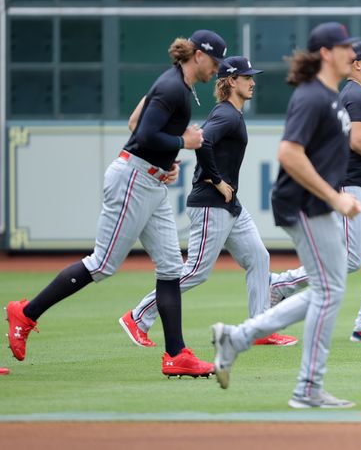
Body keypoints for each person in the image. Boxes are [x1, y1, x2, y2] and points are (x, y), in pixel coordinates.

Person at [5, 29, 227, 377]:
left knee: (171, 267)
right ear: (198, 55)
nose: (216, 68)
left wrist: (166, 162)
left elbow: (136, 122)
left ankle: (176, 354)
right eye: (215, 61)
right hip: (133, 179)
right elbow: (143, 133)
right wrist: (183, 142)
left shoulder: (177, 85)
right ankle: (26, 313)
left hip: (150, 179)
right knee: (103, 264)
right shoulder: (172, 86)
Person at [210, 22, 361, 409]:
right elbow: (289, 153)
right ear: (326, 53)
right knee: (330, 291)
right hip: (303, 203)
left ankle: (238, 338)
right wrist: (334, 197)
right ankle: (307, 388)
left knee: (327, 289)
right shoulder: (312, 97)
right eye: (345, 47)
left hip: (315, 202)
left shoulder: (328, 96)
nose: (353, 53)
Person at [119, 56, 296, 350]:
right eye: (246, 77)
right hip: (210, 203)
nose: (253, 82)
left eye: (252, 77)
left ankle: (261, 327)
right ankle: (138, 317)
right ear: (229, 81)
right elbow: (203, 141)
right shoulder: (226, 114)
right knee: (195, 271)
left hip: (228, 204)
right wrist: (216, 180)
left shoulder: (232, 114)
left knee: (259, 258)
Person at [267, 42, 361, 343]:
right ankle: (281, 283)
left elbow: (355, 141)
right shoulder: (356, 95)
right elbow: (358, 142)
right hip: (354, 186)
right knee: (349, 259)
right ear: (358, 65)